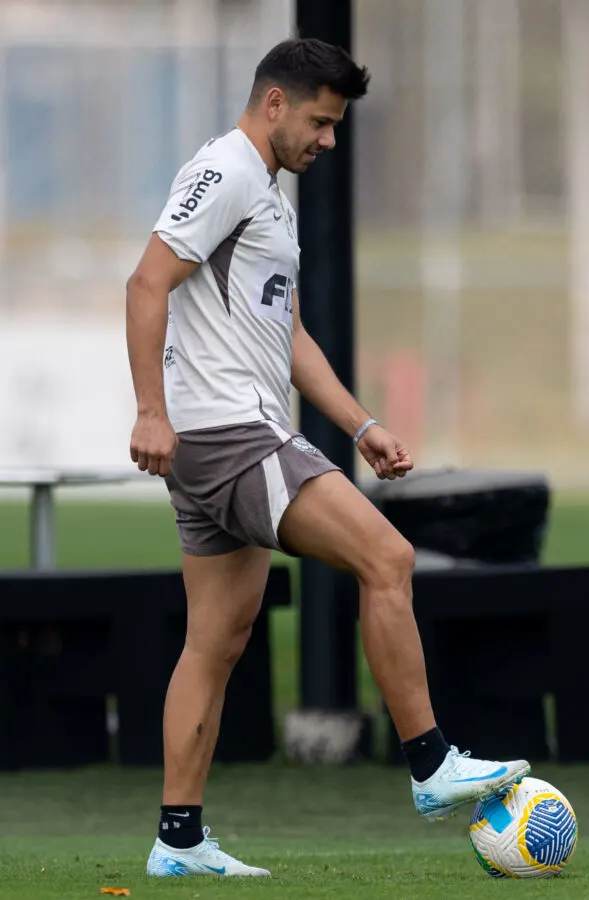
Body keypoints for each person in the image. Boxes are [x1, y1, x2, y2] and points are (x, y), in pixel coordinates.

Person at [125, 37, 529, 879]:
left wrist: (360, 422)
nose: (329, 140)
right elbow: (145, 282)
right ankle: (431, 765)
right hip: (232, 435)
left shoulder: (268, 199)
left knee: (216, 639)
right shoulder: (227, 173)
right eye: (320, 121)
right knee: (388, 556)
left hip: (223, 441)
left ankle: (178, 841)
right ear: (275, 103)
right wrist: (151, 412)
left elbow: (291, 335)